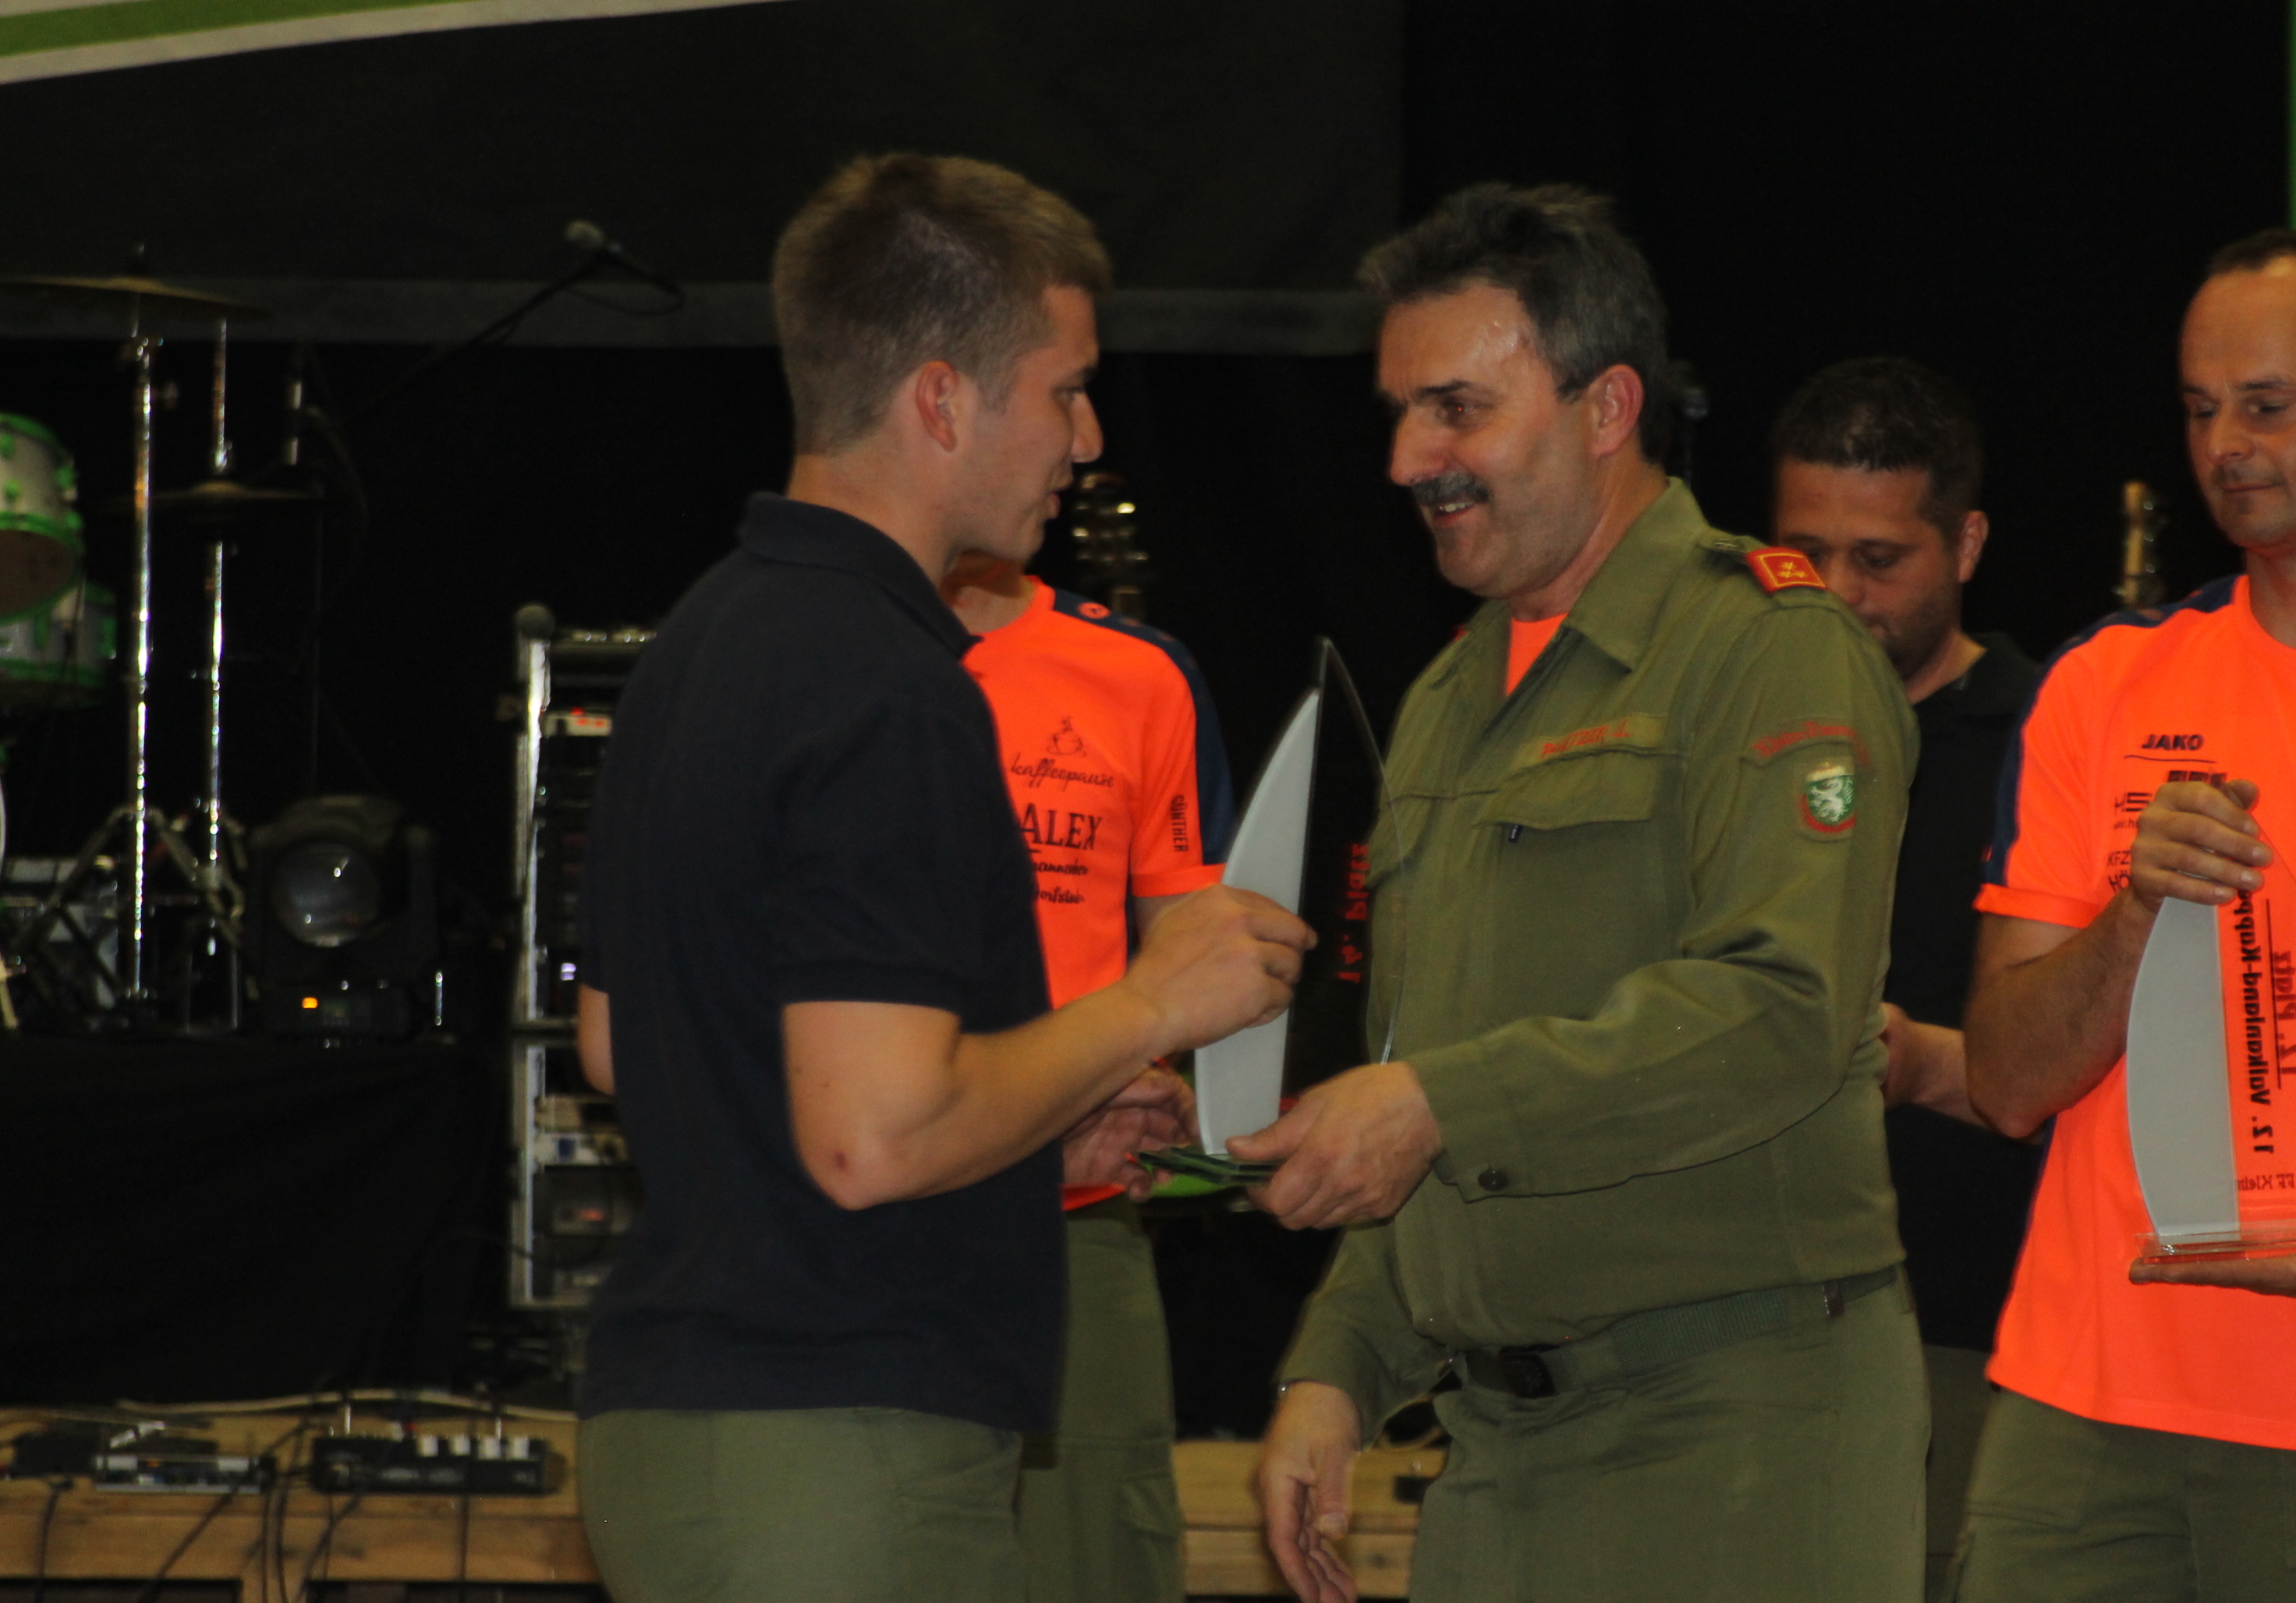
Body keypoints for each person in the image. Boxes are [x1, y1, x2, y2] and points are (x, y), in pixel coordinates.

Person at [567, 154, 1312, 1603]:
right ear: (941, 399)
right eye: (1065, 391)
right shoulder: (889, 681)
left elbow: (624, 1044)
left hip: (685, 1432)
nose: (1087, 439)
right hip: (839, 1453)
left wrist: (1027, 1143)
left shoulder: (698, 646)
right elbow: (871, 1138)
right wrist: (1152, 1003)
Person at [1240, 182, 1926, 1603]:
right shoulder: (1449, 699)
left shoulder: (1770, 647)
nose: (1409, 461)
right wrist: (1336, 1373)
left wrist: (1436, 1103)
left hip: (1735, 1432)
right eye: (1400, 414)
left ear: (1608, 407)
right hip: (1499, 1453)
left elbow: (1781, 1012)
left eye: (1457, 410)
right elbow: (1412, 1076)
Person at [1958, 228, 2296, 1599]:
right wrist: (2136, 912)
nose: (2227, 448)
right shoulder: (2104, 688)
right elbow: (2005, 1083)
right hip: (2088, 1403)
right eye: (2202, 410)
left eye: (2268, 405)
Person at [1766, 357, 2044, 1589]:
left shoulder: (2048, 740)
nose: (1837, 594)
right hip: (1733, 1342)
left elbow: (2119, 1072)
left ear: (1967, 543)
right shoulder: (1729, 734)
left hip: (1964, 1339)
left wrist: (1926, 1063)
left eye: (1878, 560)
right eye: (1803, 555)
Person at [943, 549, 1235, 1603]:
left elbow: (1204, 959)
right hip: (851, 1216)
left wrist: (1155, 1089)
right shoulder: (808, 653)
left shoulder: (1135, 672)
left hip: (1075, 1226)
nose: (1067, 463)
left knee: (1097, 1561)